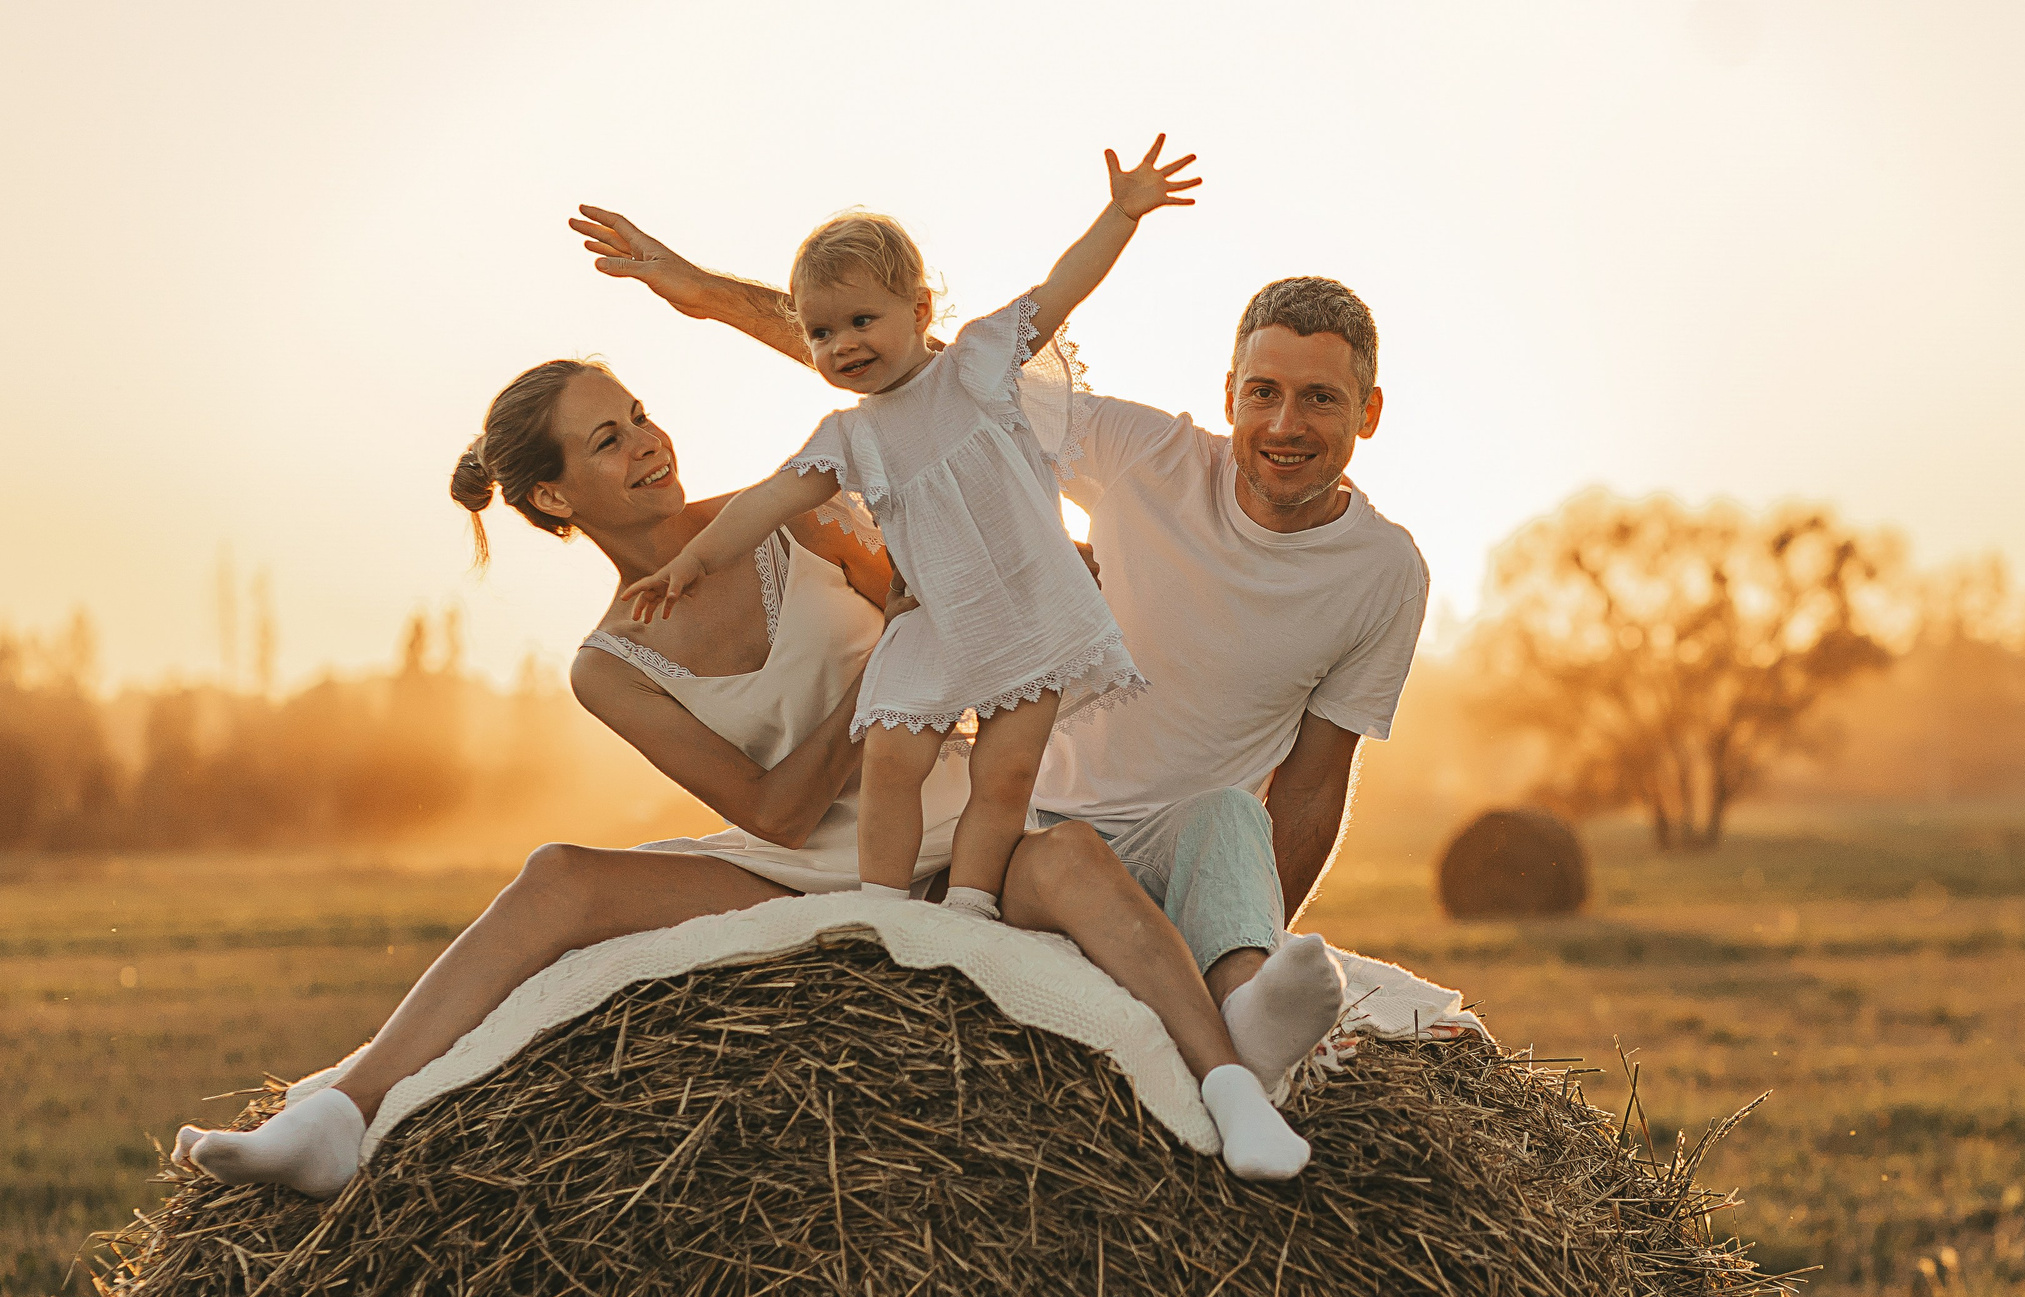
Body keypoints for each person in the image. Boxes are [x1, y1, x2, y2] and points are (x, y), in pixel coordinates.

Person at [178, 356, 1312, 1197]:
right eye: (607, 441)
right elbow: (769, 807)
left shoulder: (796, 513)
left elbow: (936, 577)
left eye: (639, 415)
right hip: (796, 860)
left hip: (952, 818)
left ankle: (1228, 1086)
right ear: (559, 499)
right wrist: (879, 694)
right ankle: (341, 1115)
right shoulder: (606, 664)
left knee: (1066, 859)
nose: (646, 442)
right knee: (557, 877)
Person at [574, 215, 1426, 1095]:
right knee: (1069, 856)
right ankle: (1227, 1039)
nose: (1285, 423)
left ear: (1367, 410)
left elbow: (1318, 783)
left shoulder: (1385, 573)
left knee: (1232, 814)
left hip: (1191, 853)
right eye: (1264, 392)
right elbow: (920, 383)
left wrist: (1254, 929)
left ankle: (1250, 1011)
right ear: (1229, 395)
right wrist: (713, 297)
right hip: (1042, 831)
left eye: (1320, 398)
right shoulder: (1145, 456)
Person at [620, 139, 1200, 922]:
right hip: (933, 617)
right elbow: (769, 499)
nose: (842, 345)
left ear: (920, 310)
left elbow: (1061, 288)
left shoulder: (975, 366)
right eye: (821, 334)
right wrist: (690, 561)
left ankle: (968, 909)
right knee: (891, 754)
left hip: (1030, 607)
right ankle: (882, 911)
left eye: (862, 320)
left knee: (1005, 772)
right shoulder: (851, 435)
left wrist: (1122, 213)